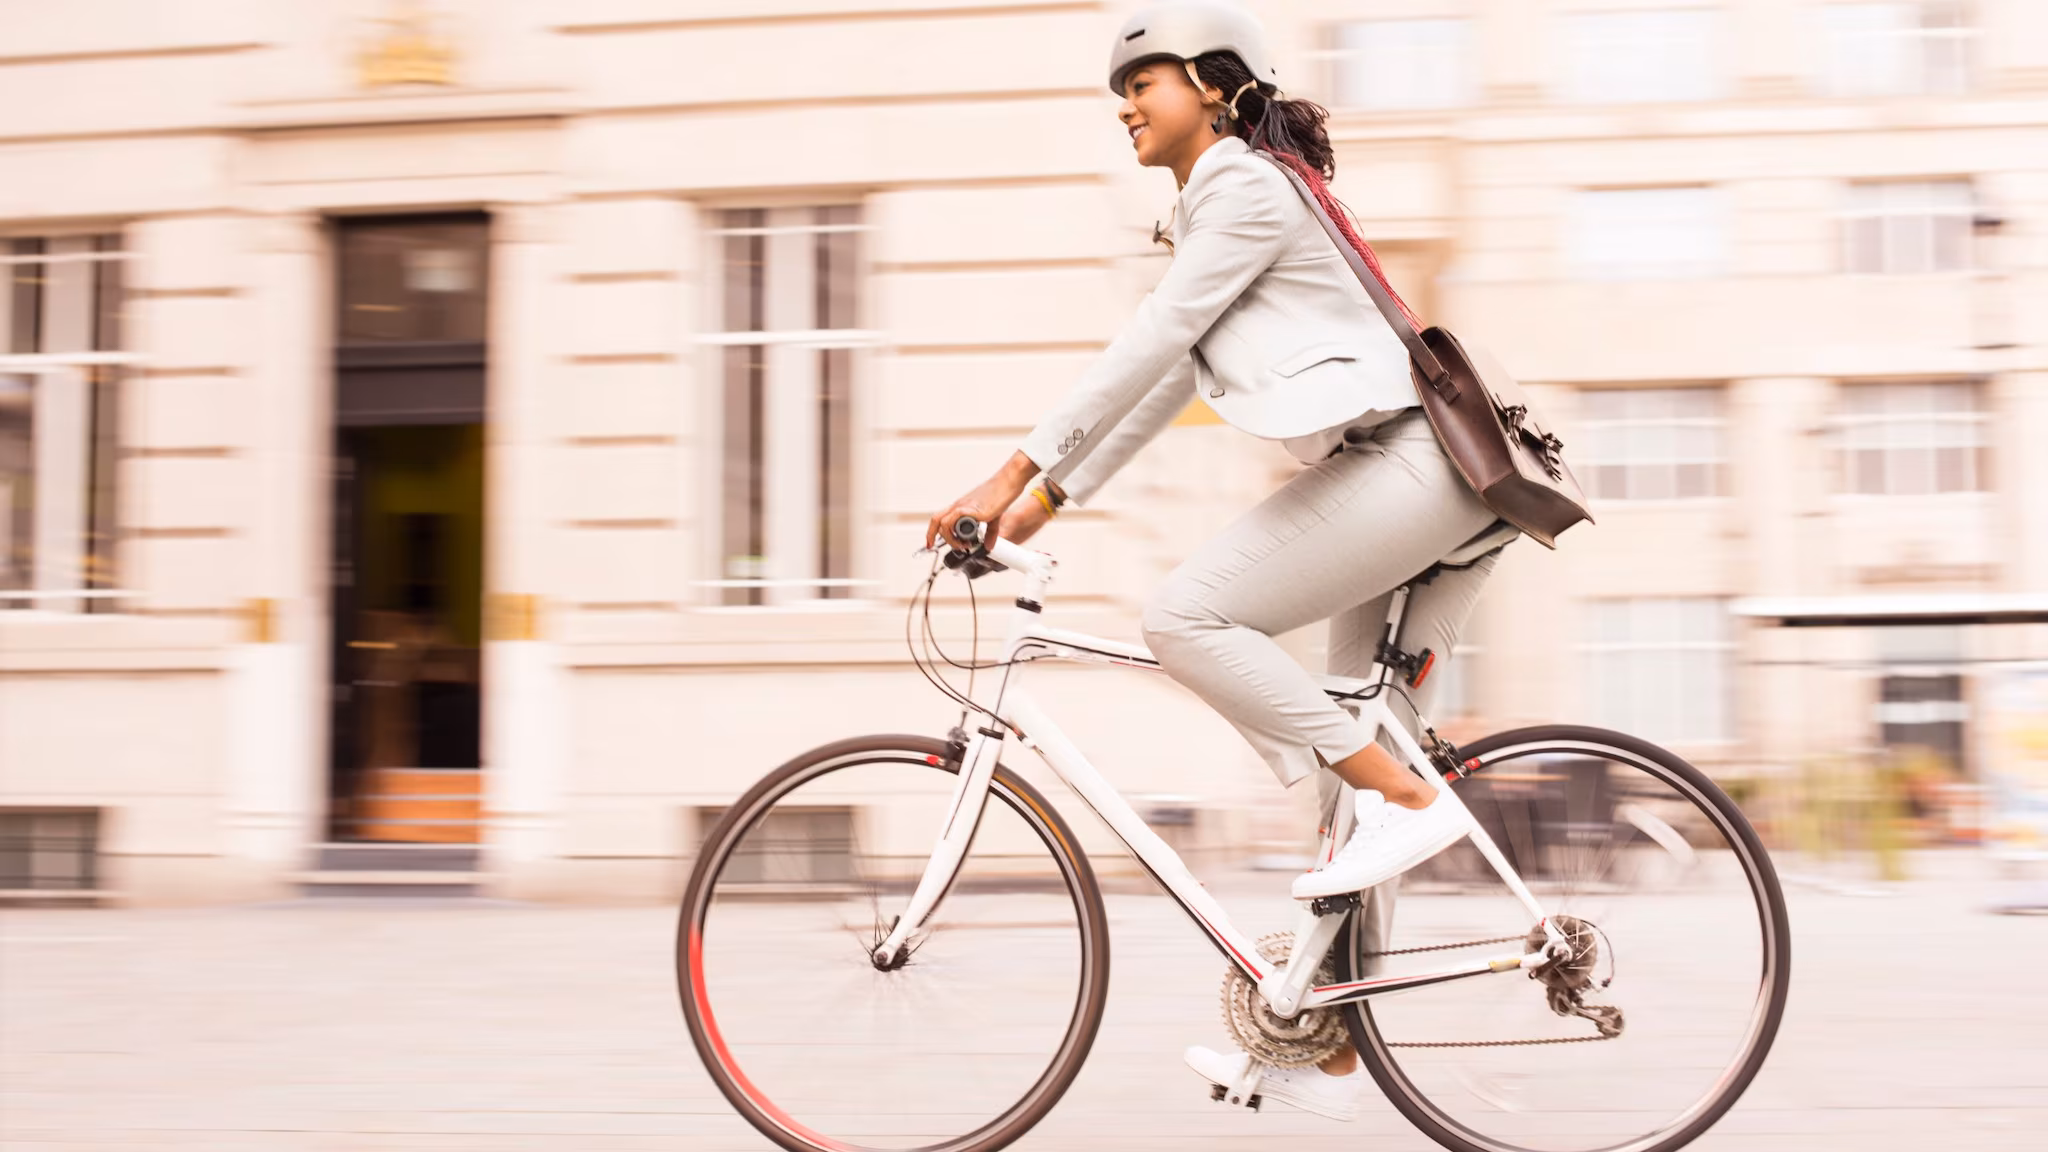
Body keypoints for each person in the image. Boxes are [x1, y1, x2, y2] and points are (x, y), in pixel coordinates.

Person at [925, 1, 1510, 1120]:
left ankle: (1404, 802)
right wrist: (1045, 500)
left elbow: (1145, 338)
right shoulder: (1229, 205)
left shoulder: (1241, 186)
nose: (1123, 108)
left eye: (1138, 84)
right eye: (1119, 93)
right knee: (1346, 736)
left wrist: (1002, 477)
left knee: (1186, 617)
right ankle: (1326, 1037)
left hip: (1407, 470)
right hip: (1416, 479)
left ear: (1205, 80)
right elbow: (1172, 373)